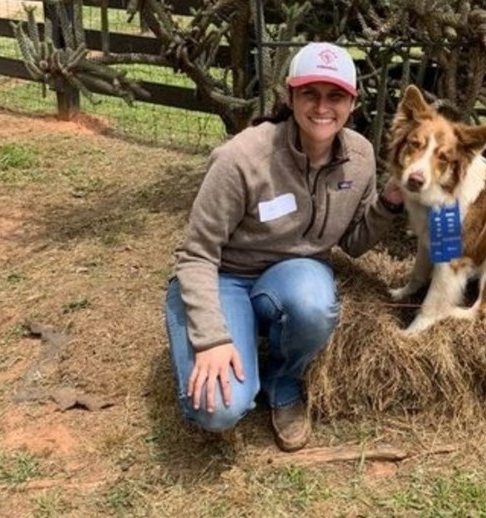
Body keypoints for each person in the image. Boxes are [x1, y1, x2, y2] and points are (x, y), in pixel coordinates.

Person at [164, 42, 404, 451]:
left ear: (352, 102)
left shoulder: (360, 157)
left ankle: (283, 380)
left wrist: (389, 202)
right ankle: (231, 339)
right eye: (310, 93)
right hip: (227, 276)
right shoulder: (242, 158)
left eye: (335, 96)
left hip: (295, 276)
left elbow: (356, 243)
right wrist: (211, 339)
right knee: (218, 410)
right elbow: (197, 254)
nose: (322, 107)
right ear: (290, 95)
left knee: (312, 302)